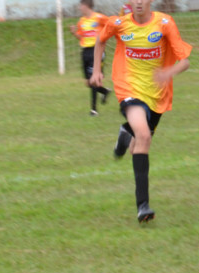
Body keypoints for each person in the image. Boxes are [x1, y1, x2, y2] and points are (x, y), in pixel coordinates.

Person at [91, 0, 192, 223]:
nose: (137, 2)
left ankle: (125, 132)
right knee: (144, 135)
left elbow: (184, 61)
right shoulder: (118, 23)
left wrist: (168, 72)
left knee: (139, 144)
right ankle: (142, 205)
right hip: (128, 87)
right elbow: (100, 40)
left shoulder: (164, 23)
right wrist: (97, 70)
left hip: (157, 93)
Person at [70, 0, 110, 116]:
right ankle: (105, 91)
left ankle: (94, 110)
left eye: (80, 6)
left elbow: (111, 25)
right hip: (85, 52)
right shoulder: (81, 21)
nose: (79, 8)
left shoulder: (99, 18)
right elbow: (81, 37)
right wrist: (74, 33)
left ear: (86, 6)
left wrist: (104, 38)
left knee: (93, 80)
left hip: (96, 51)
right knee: (88, 82)